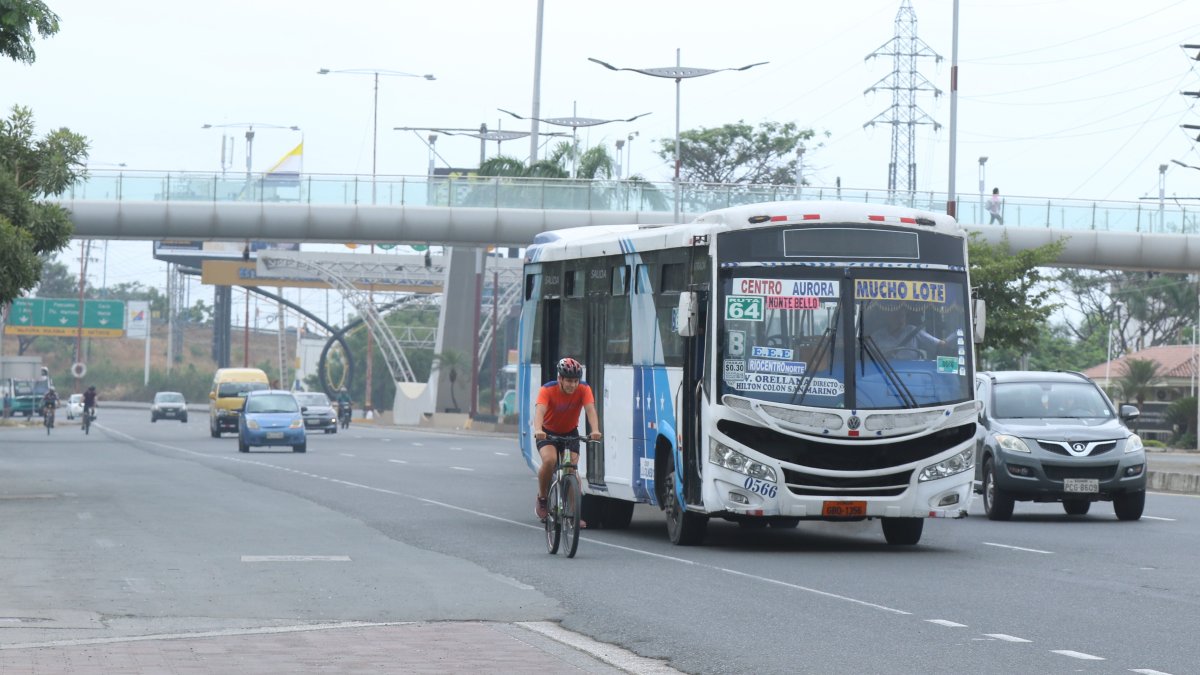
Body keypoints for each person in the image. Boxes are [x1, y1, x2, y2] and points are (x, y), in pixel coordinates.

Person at [533, 357, 602, 523]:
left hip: (570, 433)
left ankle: (574, 514)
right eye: (569, 381)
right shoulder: (547, 390)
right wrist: (538, 430)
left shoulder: (584, 389)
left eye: (575, 381)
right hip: (547, 433)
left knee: (571, 469)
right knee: (549, 461)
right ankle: (542, 499)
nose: (572, 384)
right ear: (560, 379)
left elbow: (590, 410)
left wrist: (595, 430)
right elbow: (539, 412)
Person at [869, 305, 951, 357]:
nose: (900, 319)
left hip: (913, 377)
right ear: (888, 318)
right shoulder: (877, 336)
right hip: (884, 377)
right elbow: (866, 356)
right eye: (896, 316)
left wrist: (956, 337)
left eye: (902, 315)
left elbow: (939, 345)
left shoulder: (913, 331)